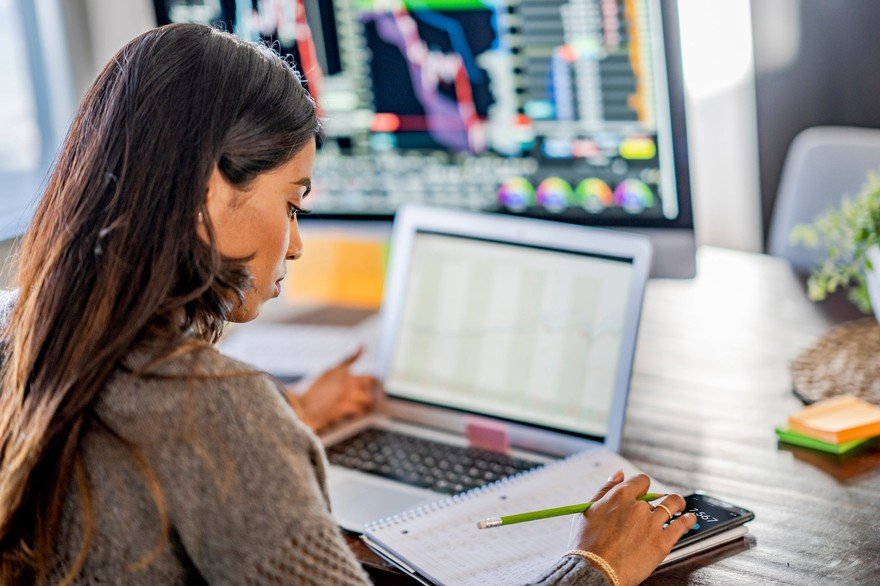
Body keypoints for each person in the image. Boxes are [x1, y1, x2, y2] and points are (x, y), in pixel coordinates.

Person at [0, 23, 695, 585]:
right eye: (292, 203)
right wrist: (595, 566)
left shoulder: (22, 338)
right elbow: (198, 436)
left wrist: (292, 415)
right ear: (210, 191)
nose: (295, 244)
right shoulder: (216, 415)